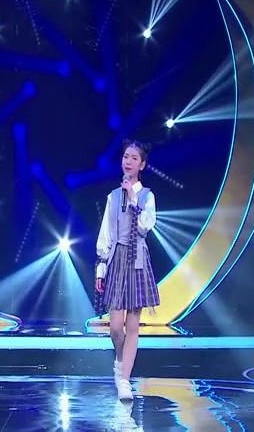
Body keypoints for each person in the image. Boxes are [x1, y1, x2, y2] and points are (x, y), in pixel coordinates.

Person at [95, 140, 159, 400]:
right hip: (117, 258)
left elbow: (145, 227)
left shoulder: (147, 196)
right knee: (115, 327)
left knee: (133, 325)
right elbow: (106, 233)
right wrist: (101, 267)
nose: (128, 161)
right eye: (125, 157)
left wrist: (133, 198)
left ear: (142, 165)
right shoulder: (113, 196)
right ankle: (120, 361)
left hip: (137, 260)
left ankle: (124, 380)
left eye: (134, 158)